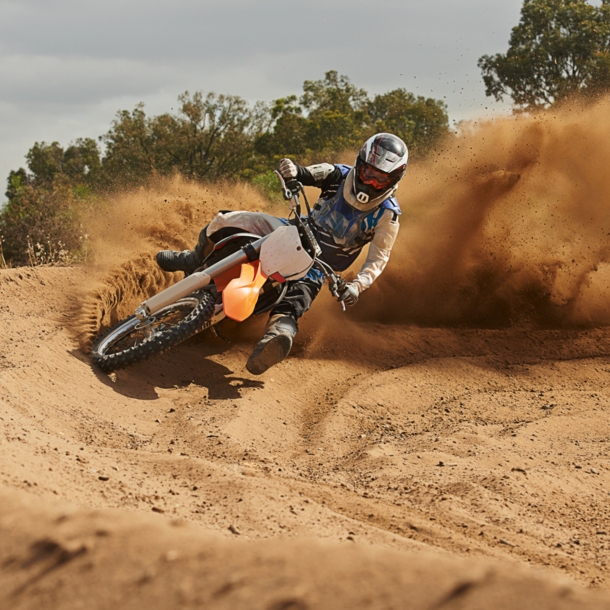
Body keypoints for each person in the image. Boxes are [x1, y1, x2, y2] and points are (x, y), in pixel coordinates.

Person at [156, 133, 409, 375]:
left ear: (394, 180)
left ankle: (277, 337)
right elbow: (307, 172)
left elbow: (378, 259)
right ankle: (195, 258)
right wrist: (292, 170)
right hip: (293, 229)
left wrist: (356, 287)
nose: (371, 182)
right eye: (368, 173)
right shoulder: (339, 174)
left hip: (318, 264)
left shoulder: (388, 214)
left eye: (380, 179)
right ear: (360, 163)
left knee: (297, 299)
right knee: (228, 220)